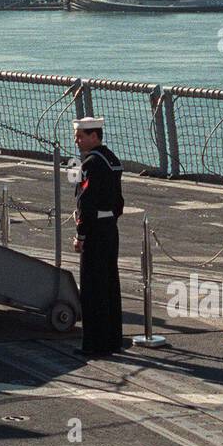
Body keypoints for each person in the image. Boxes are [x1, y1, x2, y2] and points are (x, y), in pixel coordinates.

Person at [72, 116, 124, 357]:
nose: (77, 140)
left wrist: (80, 235)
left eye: (81, 136)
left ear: (94, 136)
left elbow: (86, 201)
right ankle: (113, 338)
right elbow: (119, 202)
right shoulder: (112, 159)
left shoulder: (91, 163)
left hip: (94, 230)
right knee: (110, 284)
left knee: (92, 288)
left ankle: (93, 342)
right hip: (110, 226)